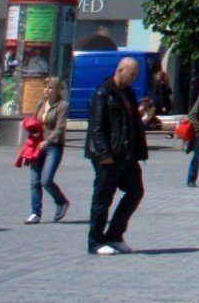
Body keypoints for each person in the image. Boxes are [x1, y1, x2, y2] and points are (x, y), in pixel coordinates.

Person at [85, 55, 149, 254]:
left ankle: (114, 235)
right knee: (103, 199)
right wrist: (104, 155)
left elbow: (129, 124)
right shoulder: (103, 93)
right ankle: (95, 241)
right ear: (120, 70)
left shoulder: (127, 93)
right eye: (131, 74)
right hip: (108, 157)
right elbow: (96, 128)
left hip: (126, 155)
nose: (134, 79)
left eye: (136, 75)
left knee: (135, 191)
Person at [27, 77, 71, 223]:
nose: (47, 90)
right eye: (46, 87)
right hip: (37, 146)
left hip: (53, 146)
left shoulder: (62, 105)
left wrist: (48, 140)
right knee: (35, 181)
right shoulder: (41, 104)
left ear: (57, 90)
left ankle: (61, 201)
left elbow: (60, 128)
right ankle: (35, 213)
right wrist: (30, 131)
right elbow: (33, 121)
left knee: (46, 180)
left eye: (50, 87)